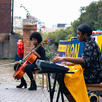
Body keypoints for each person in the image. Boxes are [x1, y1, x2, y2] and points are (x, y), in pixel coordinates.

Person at [53, 24, 102, 101]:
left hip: (93, 76)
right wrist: (69, 63)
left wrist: (64, 58)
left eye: (79, 34)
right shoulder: (88, 42)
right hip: (90, 73)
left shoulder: (91, 44)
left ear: (85, 35)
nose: (77, 36)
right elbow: (84, 59)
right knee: (62, 76)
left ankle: (74, 100)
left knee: (63, 77)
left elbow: (84, 60)